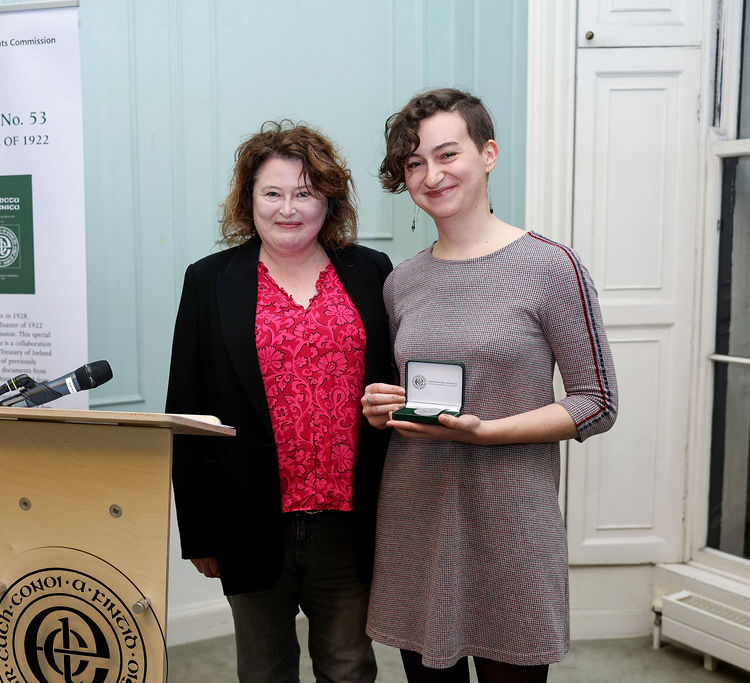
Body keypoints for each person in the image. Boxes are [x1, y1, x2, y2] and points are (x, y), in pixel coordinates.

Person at [361, 89, 618, 683]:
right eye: (415, 163)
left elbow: (596, 401)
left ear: (488, 154)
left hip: (511, 529)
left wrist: (489, 433)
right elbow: (415, 398)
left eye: (447, 154)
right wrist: (383, 406)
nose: (432, 174)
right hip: (415, 524)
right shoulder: (403, 282)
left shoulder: (551, 267)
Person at [166, 120, 393, 683]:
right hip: (249, 516)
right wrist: (198, 533)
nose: (288, 208)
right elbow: (186, 409)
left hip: (350, 517)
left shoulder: (371, 273)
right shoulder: (210, 281)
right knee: (264, 670)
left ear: (329, 201)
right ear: (249, 199)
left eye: (305, 192)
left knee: (349, 667)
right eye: (273, 192)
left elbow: (393, 383)